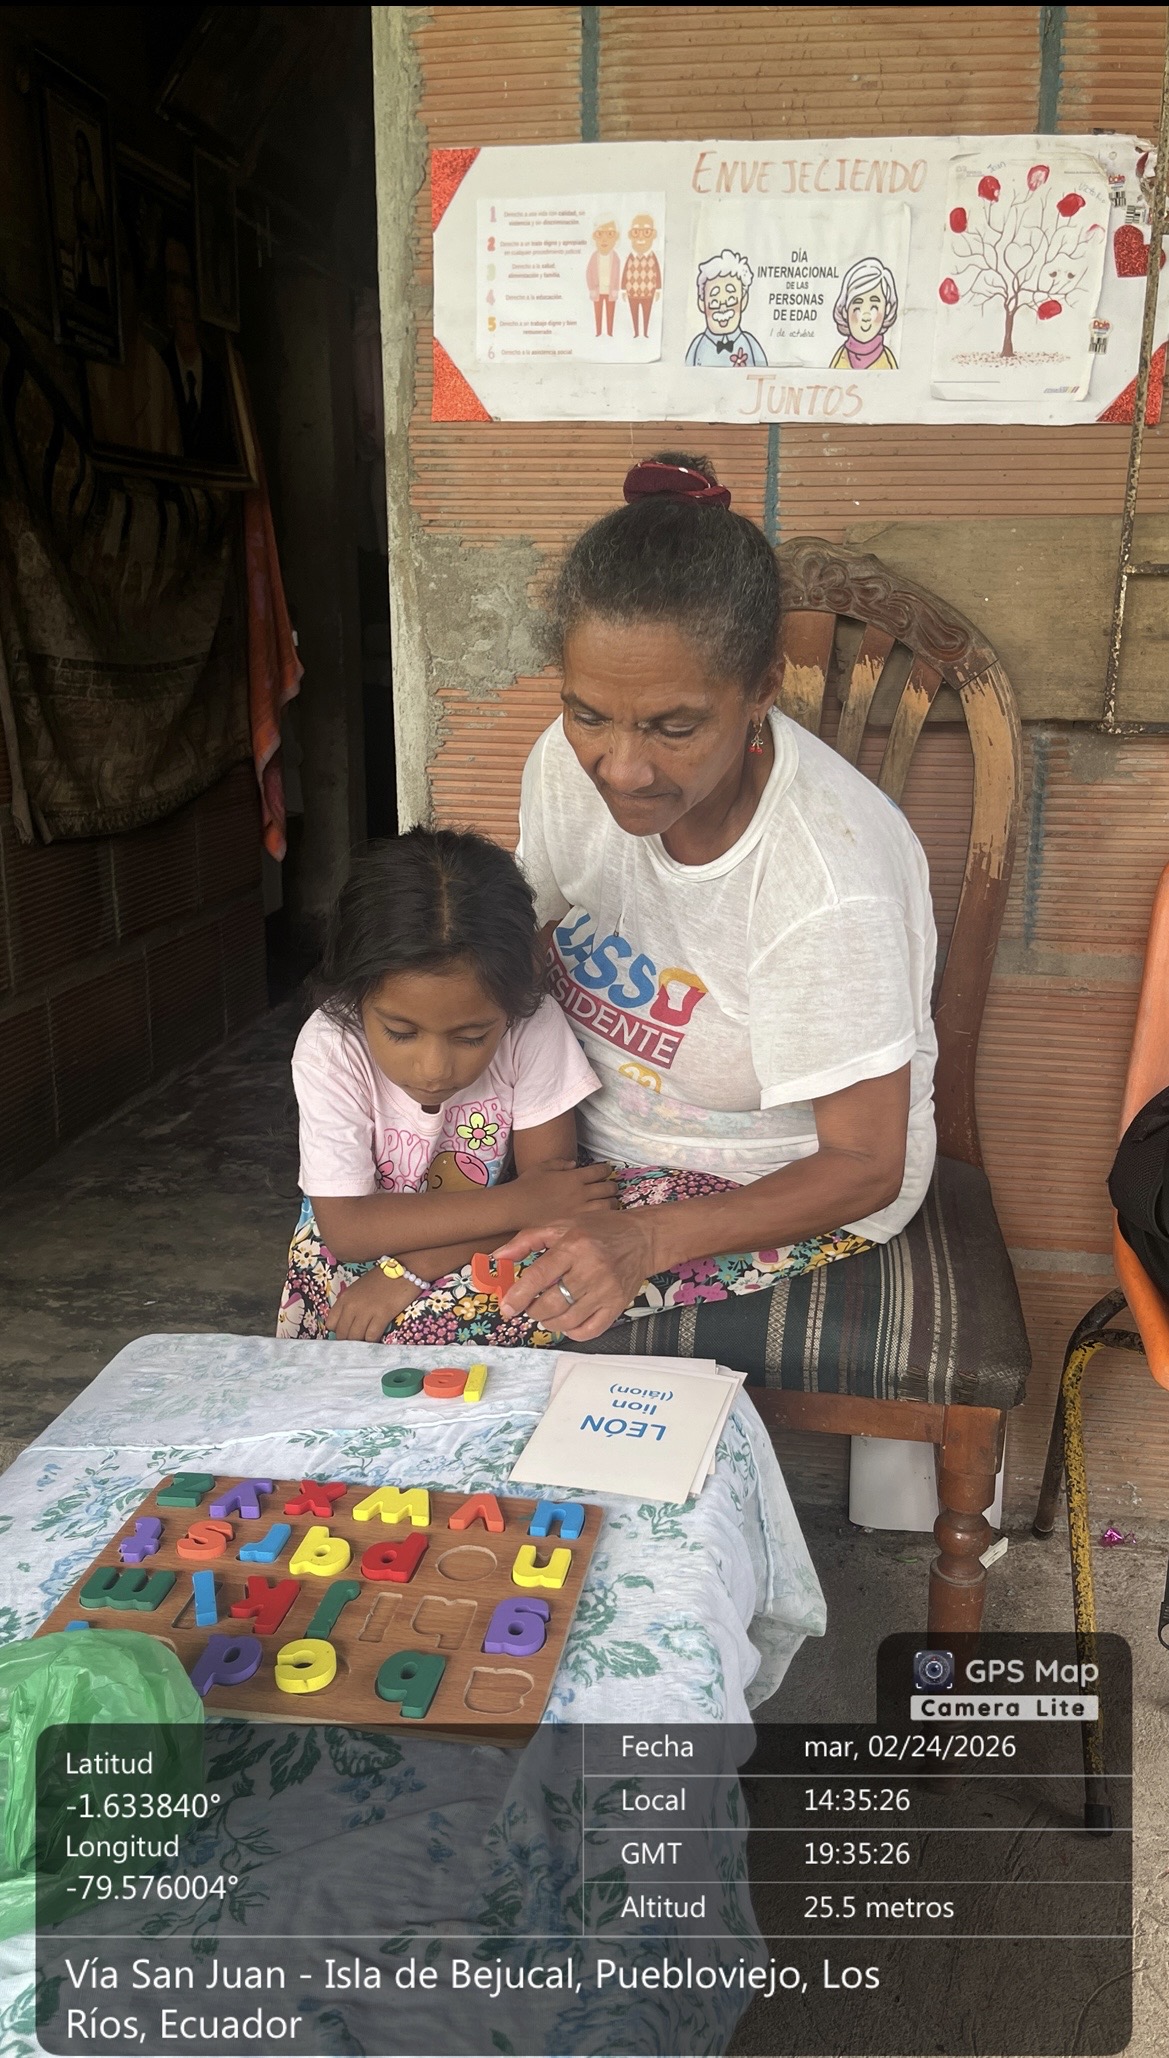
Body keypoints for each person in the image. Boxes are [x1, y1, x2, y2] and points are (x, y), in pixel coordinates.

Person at [492, 453, 937, 1347]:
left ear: (762, 688)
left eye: (675, 727)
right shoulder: (563, 764)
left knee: (464, 1319)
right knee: (354, 1248)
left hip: (768, 1182)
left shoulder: (826, 881)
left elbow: (863, 1164)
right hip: (579, 1141)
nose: (620, 768)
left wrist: (642, 1240)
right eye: (588, 714)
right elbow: (527, 938)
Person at [276, 828, 613, 1344]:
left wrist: (412, 1269)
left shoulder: (532, 1024)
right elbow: (347, 1229)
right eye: (400, 1032)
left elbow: (555, 1198)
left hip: (485, 1241)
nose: (433, 1069)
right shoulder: (332, 1046)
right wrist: (523, 1202)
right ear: (355, 992)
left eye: (471, 1037)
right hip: (353, 1255)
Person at [161, 237, 235, 465]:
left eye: (188, 285)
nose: (181, 300)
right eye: (172, 282)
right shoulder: (158, 370)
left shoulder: (223, 377)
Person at [685, 251, 767, 367]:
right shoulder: (697, 346)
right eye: (714, 302)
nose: (723, 309)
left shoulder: (750, 344)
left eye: (731, 300)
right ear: (702, 304)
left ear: (743, 300)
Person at [829, 256, 900, 371]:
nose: (866, 316)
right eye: (858, 306)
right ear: (845, 311)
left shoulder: (888, 361)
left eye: (874, 306)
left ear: (886, 309)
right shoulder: (840, 359)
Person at [622, 213, 661, 338]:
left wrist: (658, 289)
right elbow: (625, 273)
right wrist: (623, 289)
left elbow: (657, 273)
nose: (640, 236)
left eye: (646, 232)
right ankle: (636, 333)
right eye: (636, 232)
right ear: (630, 235)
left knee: (647, 313)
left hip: (648, 292)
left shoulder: (652, 257)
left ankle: (645, 333)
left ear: (653, 235)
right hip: (632, 293)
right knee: (634, 313)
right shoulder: (630, 257)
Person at [585, 218, 621, 338]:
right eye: (600, 234)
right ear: (594, 237)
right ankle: (598, 332)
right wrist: (591, 288)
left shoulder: (615, 257)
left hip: (611, 291)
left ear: (616, 237)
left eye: (610, 234)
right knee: (598, 312)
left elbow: (618, 275)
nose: (604, 239)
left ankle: (610, 332)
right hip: (597, 291)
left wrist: (616, 289)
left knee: (610, 313)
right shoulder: (594, 257)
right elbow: (589, 273)